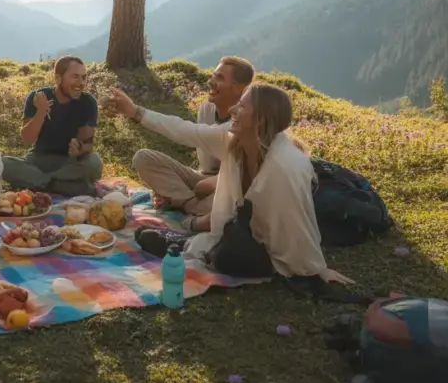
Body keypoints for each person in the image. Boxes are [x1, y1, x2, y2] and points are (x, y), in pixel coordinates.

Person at [104, 82, 353, 284]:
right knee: (225, 240)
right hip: (237, 223)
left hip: (263, 242)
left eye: (241, 106)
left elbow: (297, 225)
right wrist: (135, 111)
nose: (233, 110)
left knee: (231, 255)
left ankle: (198, 244)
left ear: (261, 120)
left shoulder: (285, 167)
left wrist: (316, 269)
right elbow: (187, 130)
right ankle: (197, 241)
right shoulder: (234, 138)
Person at [131, 56, 254, 232]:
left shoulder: (242, 123)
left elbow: (185, 131)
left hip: (233, 183)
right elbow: (205, 163)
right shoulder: (206, 109)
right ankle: (190, 206)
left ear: (240, 89)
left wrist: (136, 112)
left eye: (219, 78)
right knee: (143, 158)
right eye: (213, 75)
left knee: (231, 205)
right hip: (202, 179)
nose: (210, 81)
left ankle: (184, 205)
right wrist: (193, 186)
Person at [2, 55, 103, 197]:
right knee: (2, 164)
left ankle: (40, 183)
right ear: (58, 78)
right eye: (75, 77)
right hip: (38, 158)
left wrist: (79, 149)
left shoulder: (87, 102)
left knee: (94, 163)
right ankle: (62, 186)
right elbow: (27, 139)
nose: (81, 82)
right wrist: (41, 111)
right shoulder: (38, 97)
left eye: (83, 77)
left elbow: (88, 146)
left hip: (69, 163)